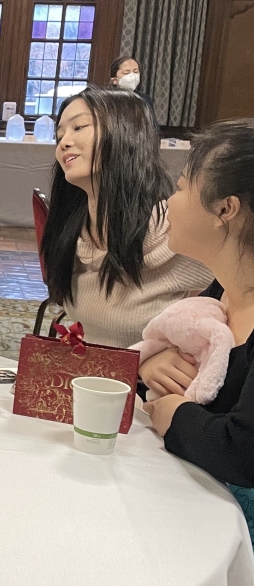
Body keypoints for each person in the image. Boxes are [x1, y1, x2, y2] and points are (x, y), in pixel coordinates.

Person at [138, 119, 254, 530]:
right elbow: (155, 377)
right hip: (189, 501)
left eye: (183, 186)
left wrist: (175, 414)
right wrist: (149, 367)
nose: (170, 200)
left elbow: (242, 450)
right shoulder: (221, 289)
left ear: (225, 209)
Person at [40, 86, 213, 348]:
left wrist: (165, 355)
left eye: (78, 127)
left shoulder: (173, 230)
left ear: (125, 132)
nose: (63, 142)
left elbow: (229, 324)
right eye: (59, 134)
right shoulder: (76, 228)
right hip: (96, 379)